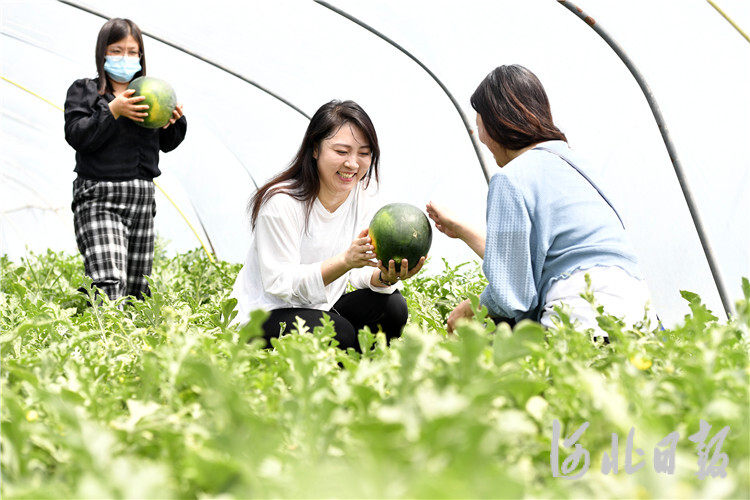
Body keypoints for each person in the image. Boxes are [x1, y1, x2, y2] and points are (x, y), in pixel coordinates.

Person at [427, 65, 656, 337]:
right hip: (641, 323)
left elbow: (511, 294)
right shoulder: (578, 166)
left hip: (579, 322)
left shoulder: (511, 178)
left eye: (481, 127)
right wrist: (464, 231)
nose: (482, 140)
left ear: (497, 125)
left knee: (483, 334)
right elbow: (533, 262)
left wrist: (470, 308)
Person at [231, 100, 424, 351]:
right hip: (264, 316)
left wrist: (384, 278)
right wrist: (345, 261)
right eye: (342, 152)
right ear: (315, 149)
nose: (352, 164)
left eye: (363, 153)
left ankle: (358, 367)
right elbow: (280, 284)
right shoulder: (281, 203)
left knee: (392, 308)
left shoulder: (363, 197)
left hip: (320, 309)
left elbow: (360, 270)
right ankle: (347, 362)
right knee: (338, 333)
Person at [64, 18, 186, 301]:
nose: (125, 57)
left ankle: (123, 340)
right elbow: (77, 135)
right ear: (102, 53)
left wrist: (173, 123)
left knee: (136, 289)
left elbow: (167, 144)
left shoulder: (151, 93)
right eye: (117, 50)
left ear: (140, 56)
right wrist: (113, 110)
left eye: (132, 52)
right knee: (109, 279)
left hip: (141, 197)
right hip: (98, 196)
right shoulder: (86, 91)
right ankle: (100, 339)